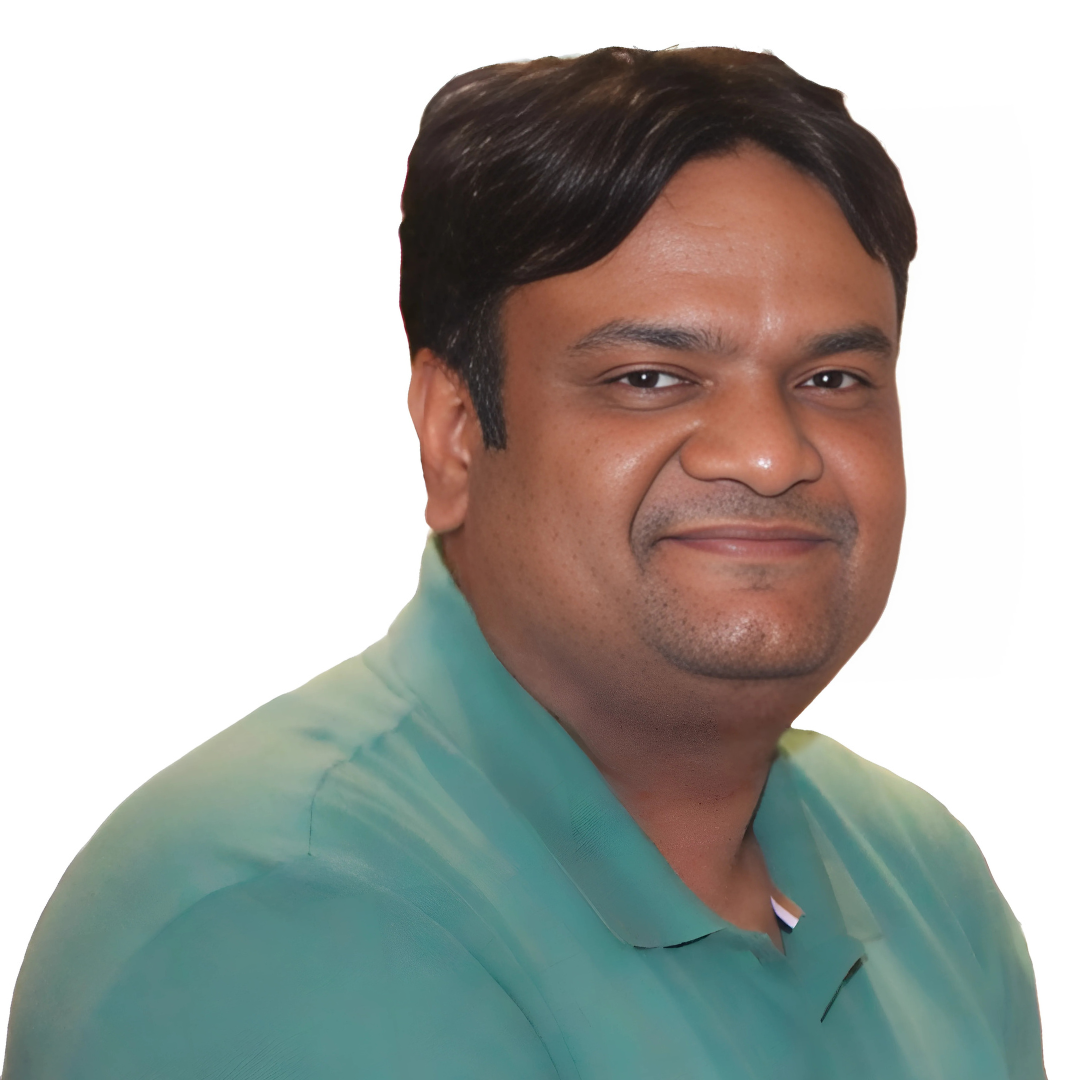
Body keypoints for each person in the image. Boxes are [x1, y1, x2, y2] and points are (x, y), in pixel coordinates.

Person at [4, 45, 1044, 1080]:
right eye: (649, 377)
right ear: (455, 434)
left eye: (833, 378)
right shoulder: (292, 917)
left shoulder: (923, 882)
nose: (771, 455)